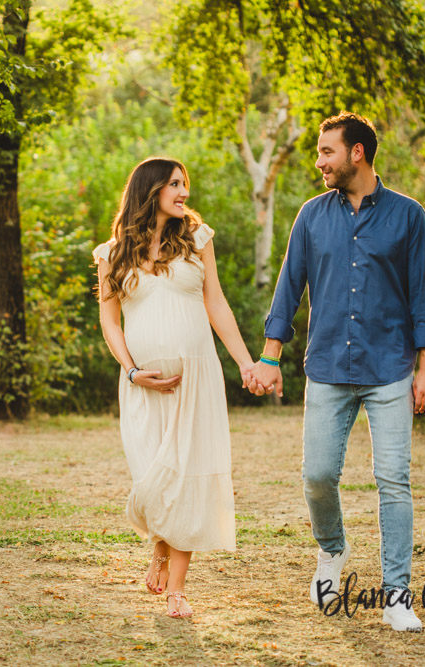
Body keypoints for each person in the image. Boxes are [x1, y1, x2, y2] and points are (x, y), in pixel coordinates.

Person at [246, 112, 425, 631]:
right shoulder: (311, 216)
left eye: (326, 152)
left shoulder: (408, 216)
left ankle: (397, 595)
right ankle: (332, 549)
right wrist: (270, 356)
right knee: (317, 476)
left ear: (357, 152)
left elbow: (424, 297)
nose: (320, 162)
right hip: (329, 366)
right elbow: (288, 287)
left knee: (393, 480)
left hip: (390, 367)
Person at [93, 157, 256, 619]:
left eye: (185, 184)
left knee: (187, 477)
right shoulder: (112, 254)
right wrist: (131, 371)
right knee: (153, 479)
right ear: (150, 190)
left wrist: (245, 362)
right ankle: (160, 546)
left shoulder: (197, 240)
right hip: (142, 387)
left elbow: (216, 304)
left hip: (196, 379)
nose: (184, 192)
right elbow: (110, 322)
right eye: (175, 184)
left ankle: (178, 590)